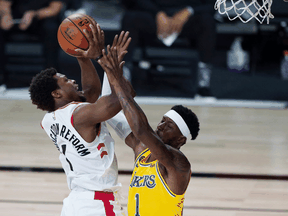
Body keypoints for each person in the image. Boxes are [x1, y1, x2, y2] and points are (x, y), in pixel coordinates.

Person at [29, 19, 132, 215]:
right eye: (66, 81)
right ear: (56, 94)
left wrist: (82, 56)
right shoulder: (79, 116)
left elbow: (92, 93)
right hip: (98, 205)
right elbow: (121, 98)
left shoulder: (50, 119)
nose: (72, 80)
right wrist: (108, 62)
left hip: (76, 203)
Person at [98, 47, 200, 215]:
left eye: (169, 126)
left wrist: (117, 80)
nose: (160, 126)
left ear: (180, 140)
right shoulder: (142, 151)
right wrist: (107, 66)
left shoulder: (178, 163)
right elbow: (109, 114)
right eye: (162, 121)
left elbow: (141, 129)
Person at [121, 0, 216, 98]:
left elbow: (213, 4)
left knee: (207, 21)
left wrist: (189, 11)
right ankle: (123, 82)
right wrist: (157, 13)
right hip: (152, 15)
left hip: (187, 17)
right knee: (130, 18)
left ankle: (203, 86)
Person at [0, 0, 64, 88]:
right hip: (14, 19)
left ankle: (51, 78)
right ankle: (1, 78)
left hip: (40, 19)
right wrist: (5, 14)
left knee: (51, 28)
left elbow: (55, 8)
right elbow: (4, 2)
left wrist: (34, 14)